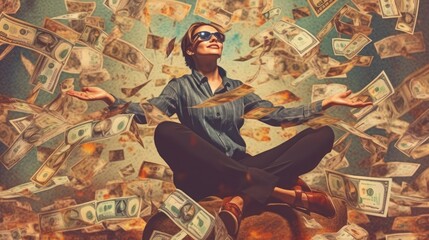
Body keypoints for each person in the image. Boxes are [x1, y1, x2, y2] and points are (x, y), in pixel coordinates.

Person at [67, 22, 372, 236]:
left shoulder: (237, 90)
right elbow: (151, 112)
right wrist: (112, 100)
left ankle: (242, 197)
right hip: (202, 174)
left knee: (322, 135)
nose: (215, 38)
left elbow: (278, 116)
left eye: (219, 35)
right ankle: (281, 192)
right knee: (166, 132)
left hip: (239, 167)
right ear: (190, 48)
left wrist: (326, 103)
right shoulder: (180, 87)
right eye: (204, 35)